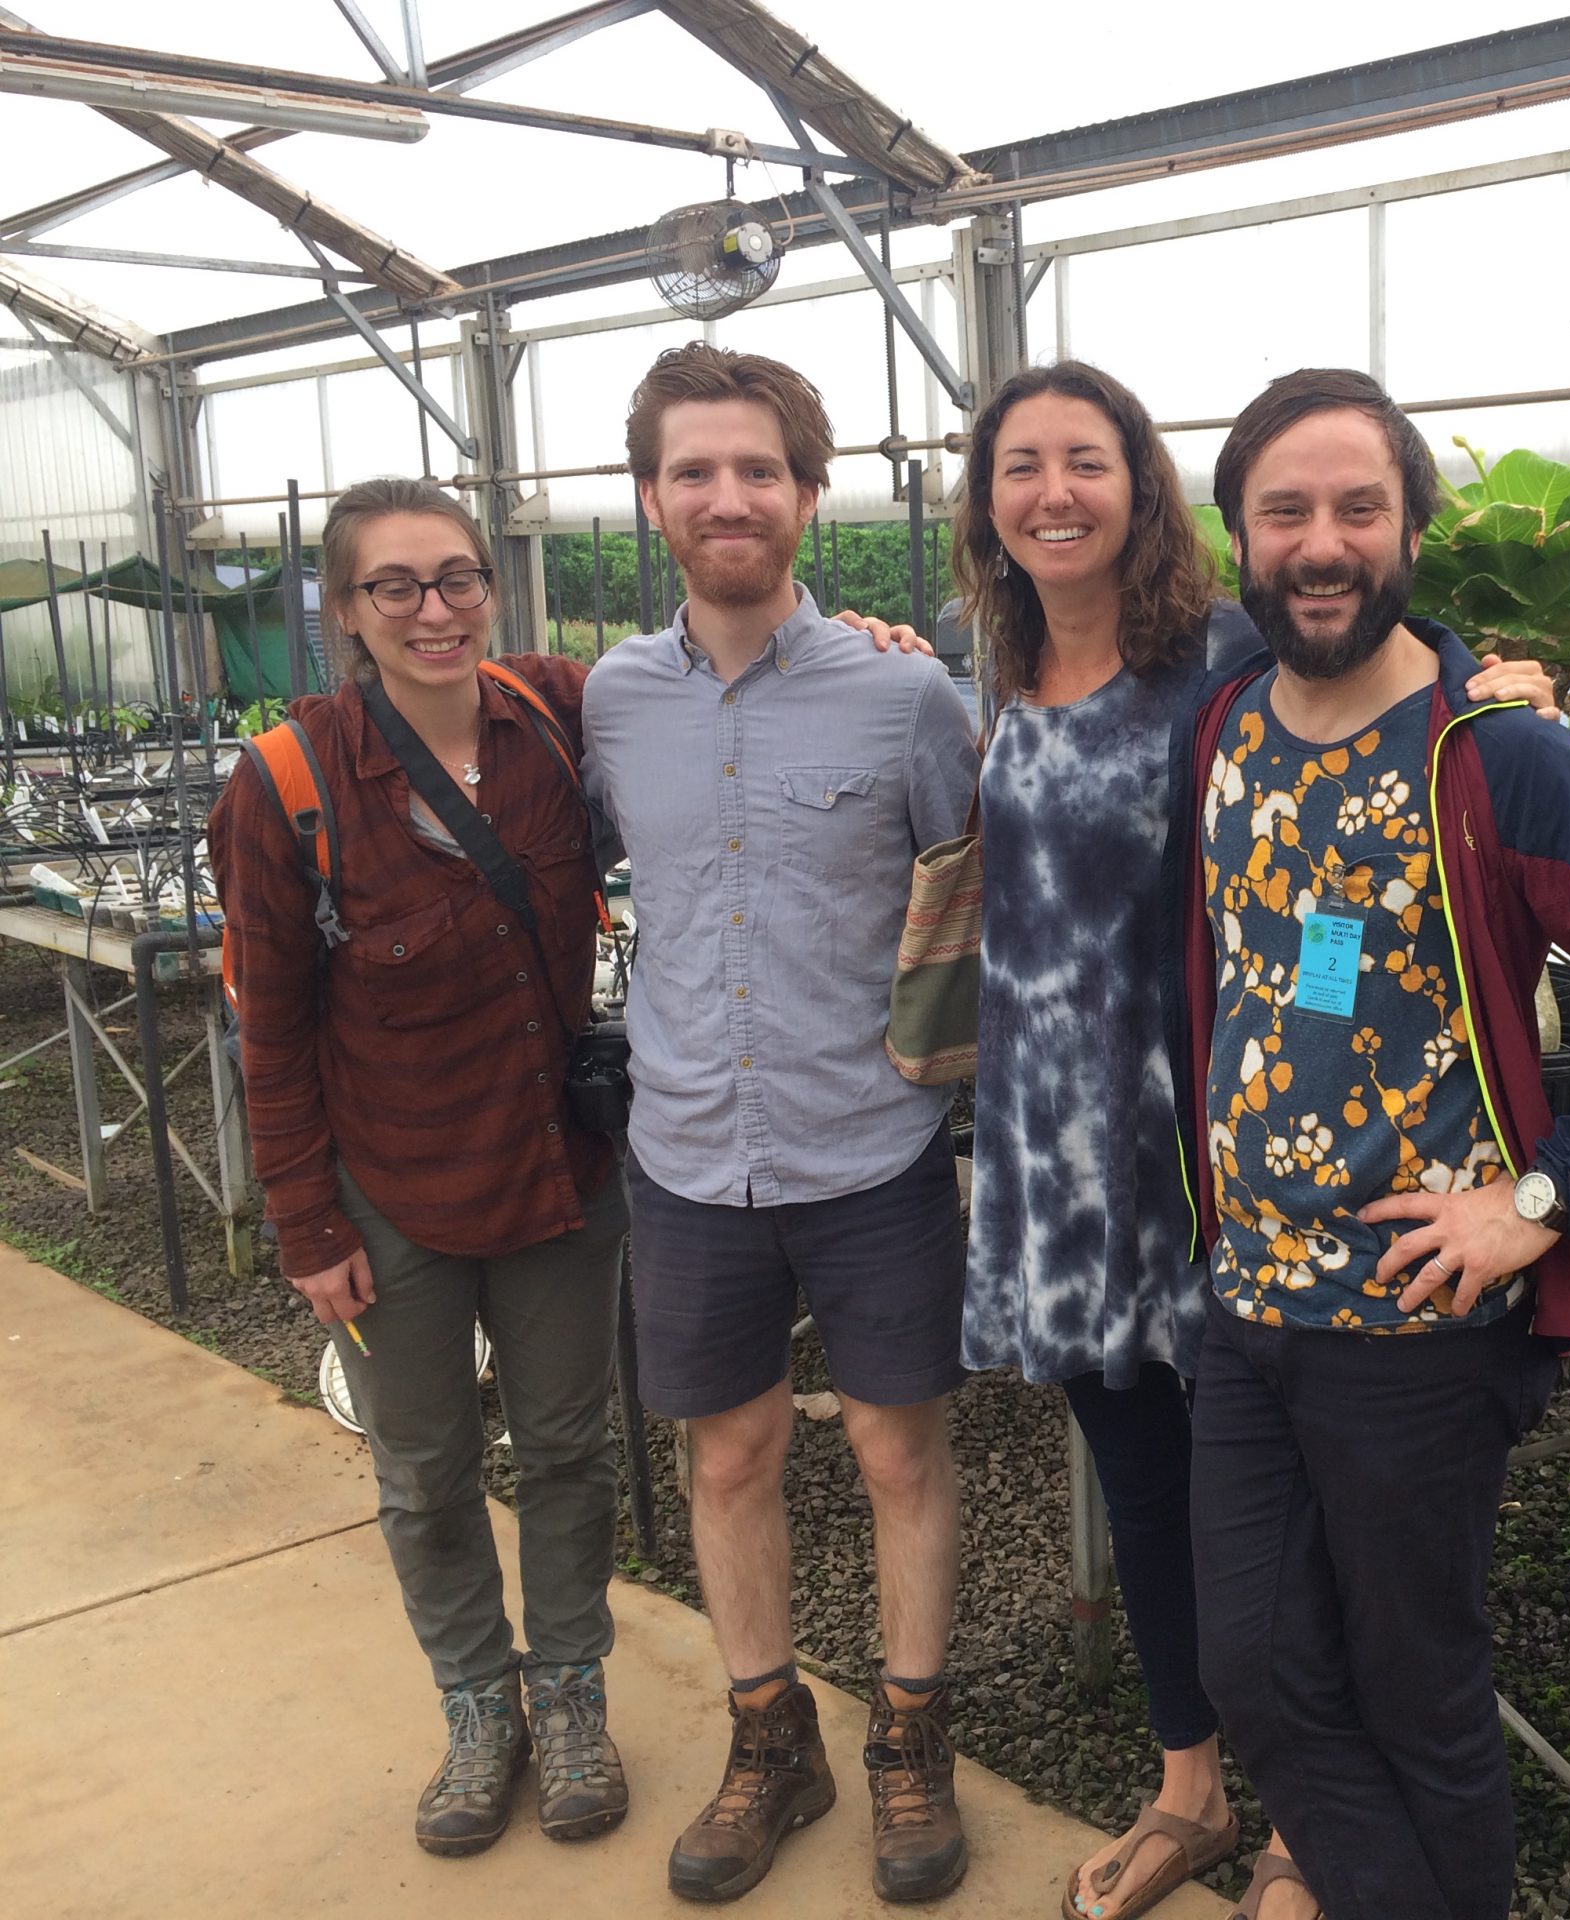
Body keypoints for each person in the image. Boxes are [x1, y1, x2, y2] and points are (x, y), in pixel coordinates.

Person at [861, 360, 1552, 1920]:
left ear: (1145, 487)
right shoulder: (997, 657)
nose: (1053, 492)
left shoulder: (1224, 652)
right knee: (1146, 1478)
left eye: (1086, 461)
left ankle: (1316, 1830)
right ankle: (1195, 1789)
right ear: (985, 502)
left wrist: (1487, 688)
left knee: (1281, 1496)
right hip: (1056, 1150)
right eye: (1019, 465)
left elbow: (1371, 667)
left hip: (1216, 1143)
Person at [1173, 369, 1570, 1920]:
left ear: (1410, 534)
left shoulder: (1498, 757)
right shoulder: (1230, 728)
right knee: (1251, 1662)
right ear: (1238, 536)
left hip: (1416, 1314)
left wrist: (1550, 1198)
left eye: (1356, 510)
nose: (1321, 544)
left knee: (1418, 1688)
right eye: (1285, 511)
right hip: (1247, 1303)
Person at [579, 343, 978, 1906]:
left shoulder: (903, 691)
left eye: (759, 469)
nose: (727, 496)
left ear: (812, 495)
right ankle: (772, 1739)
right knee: (730, 1452)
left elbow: (971, 893)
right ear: (652, 497)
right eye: (696, 470)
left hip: (869, 1140)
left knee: (897, 1446)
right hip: (687, 1149)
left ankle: (909, 1738)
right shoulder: (611, 698)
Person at [208, 476, 630, 1859]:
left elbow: (711, 660)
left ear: (489, 589)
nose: (435, 608)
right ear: (345, 612)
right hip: (392, 1191)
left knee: (569, 1449)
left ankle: (568, 1693)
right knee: (427, 1471)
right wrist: (305, 1223)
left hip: (557, 1173)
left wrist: (861, 633)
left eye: (457, 578)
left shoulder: (555, 718)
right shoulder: (285, 785)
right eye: (396, 586)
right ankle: (476, 1705)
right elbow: (268, 1030)